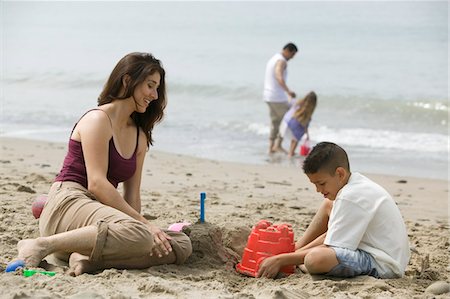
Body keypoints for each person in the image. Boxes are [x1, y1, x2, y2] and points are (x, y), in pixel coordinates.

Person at [9, 52, 192, 276]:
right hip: (69, 203)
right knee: (143, 234)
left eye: (157, 88)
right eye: (150, 86)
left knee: (181, 244)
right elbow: (96, 184)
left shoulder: (139, 136)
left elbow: (132, 196)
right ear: (127, 81)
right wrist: (143, 226)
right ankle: (41, 245)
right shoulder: (98, 119)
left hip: (101, 216)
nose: (154, 95)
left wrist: (135, 231)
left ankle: (88, 260)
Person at [257, 142, 410, 279]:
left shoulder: (350, 197)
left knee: (314, 259)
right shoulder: (354, 183)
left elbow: (330, 244)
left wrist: (281, 260)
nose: (318, 190)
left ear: (340, 174)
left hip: (383, 264)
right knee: (328, 204)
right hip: (377, 250)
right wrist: (293, 254)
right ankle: (294, 249)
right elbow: (330, 236)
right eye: (315, 184)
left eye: (321, 183)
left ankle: (294, 257)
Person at [263, 42, 298, 154]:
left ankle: (271, 147)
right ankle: (278, 145)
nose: (292, 58)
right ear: (288, 51)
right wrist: (288, 91)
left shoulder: (273, 58)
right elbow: (278, 75)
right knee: (286, 121)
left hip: (268, 96)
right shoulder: (281, 61)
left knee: (275, 121)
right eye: (292, 55)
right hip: (277, 97)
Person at [276, 91, 317, 157]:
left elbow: (290, 101)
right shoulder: (309, 109)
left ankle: (284, 150)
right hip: (293, 125)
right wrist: (307, 134)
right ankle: (291, 153)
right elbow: (305, 123)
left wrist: (290, 95)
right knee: (297, 135)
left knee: (297, 131)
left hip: (285, 121)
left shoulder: (299, 102)